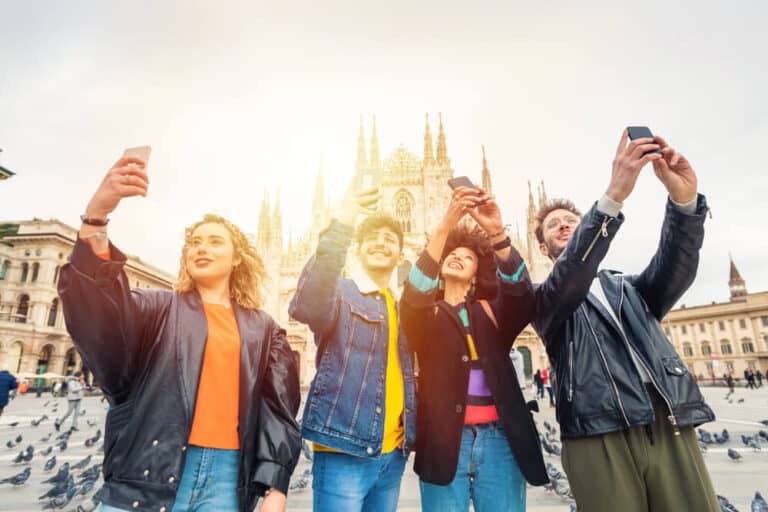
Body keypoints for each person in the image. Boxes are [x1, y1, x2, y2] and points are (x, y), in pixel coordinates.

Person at [58, 152, 301, 512]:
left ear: (237, 258)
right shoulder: (155, 309)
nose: (201, 246)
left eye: (215, 241)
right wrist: (97, 216)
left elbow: (278, 410)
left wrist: (275, 485)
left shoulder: (263, 329)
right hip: (147, 471)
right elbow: (98, 315)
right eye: (194, 241)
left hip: (227, 479)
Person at [531, 130, 719, 511]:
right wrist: (612, 197)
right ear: (541, 247)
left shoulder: (627, 288)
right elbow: (569, 277)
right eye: (554, 225)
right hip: (595, 433)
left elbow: (676, 268)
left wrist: (684, 203)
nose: (565, 225)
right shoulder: (542, 298)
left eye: (572, 219)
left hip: (663, 421)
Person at [400, 186, 547, 512]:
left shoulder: (492, 311)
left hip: (499, 440)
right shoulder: (428, 315)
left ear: (477, 272)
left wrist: (496, 231)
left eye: (467, 256)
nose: (457, 256)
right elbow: (412, 299)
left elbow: (522, 295)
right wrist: (442, 231)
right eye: (452, 253)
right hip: (443, 441)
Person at [289, 186, 417, 512]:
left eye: (390, 239)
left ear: (401, 255)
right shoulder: (342, 293)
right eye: (372, 237)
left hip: (392, 453)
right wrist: (342, 223)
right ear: (357, 249)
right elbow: (310, 302)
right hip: (343, 450)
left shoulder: (403, 307)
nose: (380, 243)